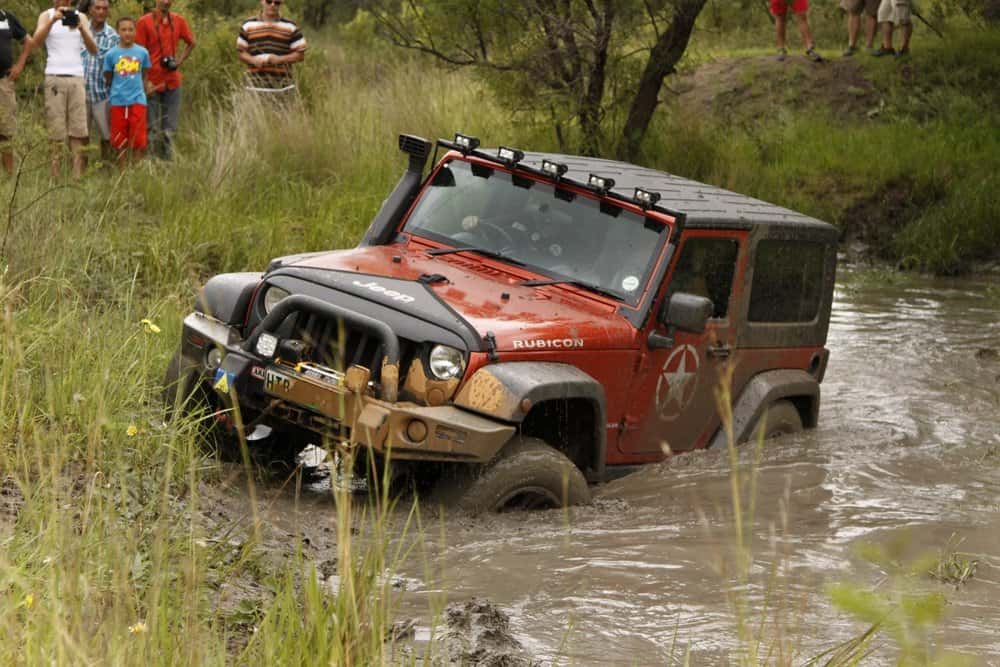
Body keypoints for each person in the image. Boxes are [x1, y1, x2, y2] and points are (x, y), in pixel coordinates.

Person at [31, 0, 99, 179]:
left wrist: (82, 29)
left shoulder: (81, 17)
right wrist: (53, 20)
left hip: (76, 76)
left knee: (78, 128)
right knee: (56, 128)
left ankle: (77, 174)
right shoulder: (45, 16)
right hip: (54, 75)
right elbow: (35, 42)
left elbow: (93, 49)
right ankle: (55, 174)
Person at [135, 0, 194, 159]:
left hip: (173, 81)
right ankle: (152, 164)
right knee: (152, 129)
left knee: (171, 128)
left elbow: (191, 42)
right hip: (152, 81)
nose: (166, 2)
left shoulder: (179, 20)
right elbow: (138, 54)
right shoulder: (144, 22)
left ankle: (169, 164)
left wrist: (179, 61)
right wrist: (144, 81)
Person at [103, 17, 151, 168]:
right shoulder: (111, 55)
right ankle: (122, 173)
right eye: (123, 30)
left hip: (137, 100)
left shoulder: (142, 52)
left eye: (131, 29)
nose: (127, 33)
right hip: (118, 100)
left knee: (138, 140)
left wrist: (141, 91)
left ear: (135, 31)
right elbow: (108, 76)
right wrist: (117, 90)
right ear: (118, 32)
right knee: (119, 140)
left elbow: (144, 73)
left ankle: (136, 170)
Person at [237, 0, 307, 102]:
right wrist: (253, 60)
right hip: (254, 87)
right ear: (262, 1)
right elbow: (241, 52)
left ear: (281, 3)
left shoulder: (291, 26)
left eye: (277, 2)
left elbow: (300, 55)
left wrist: (279, 59)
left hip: (283, 88)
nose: (272, 5)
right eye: (269, 1)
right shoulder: (248, 24)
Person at [82, 0, 118, 162]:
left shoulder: (113, 37)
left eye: (105, 9)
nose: (101, 12)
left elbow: (115, 67)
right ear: (90, 10)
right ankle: (79, 170)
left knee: (107, 136)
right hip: (80, 92)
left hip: (102, 93)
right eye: (97, 8)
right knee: (80, 134)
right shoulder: (78, 29)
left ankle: (107, 169)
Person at [0, 7, 32, 175]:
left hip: (4, 82)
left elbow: (28, 40)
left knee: (6, 132)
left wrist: (20, 65)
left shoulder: (6, 16)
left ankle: (8, 178)